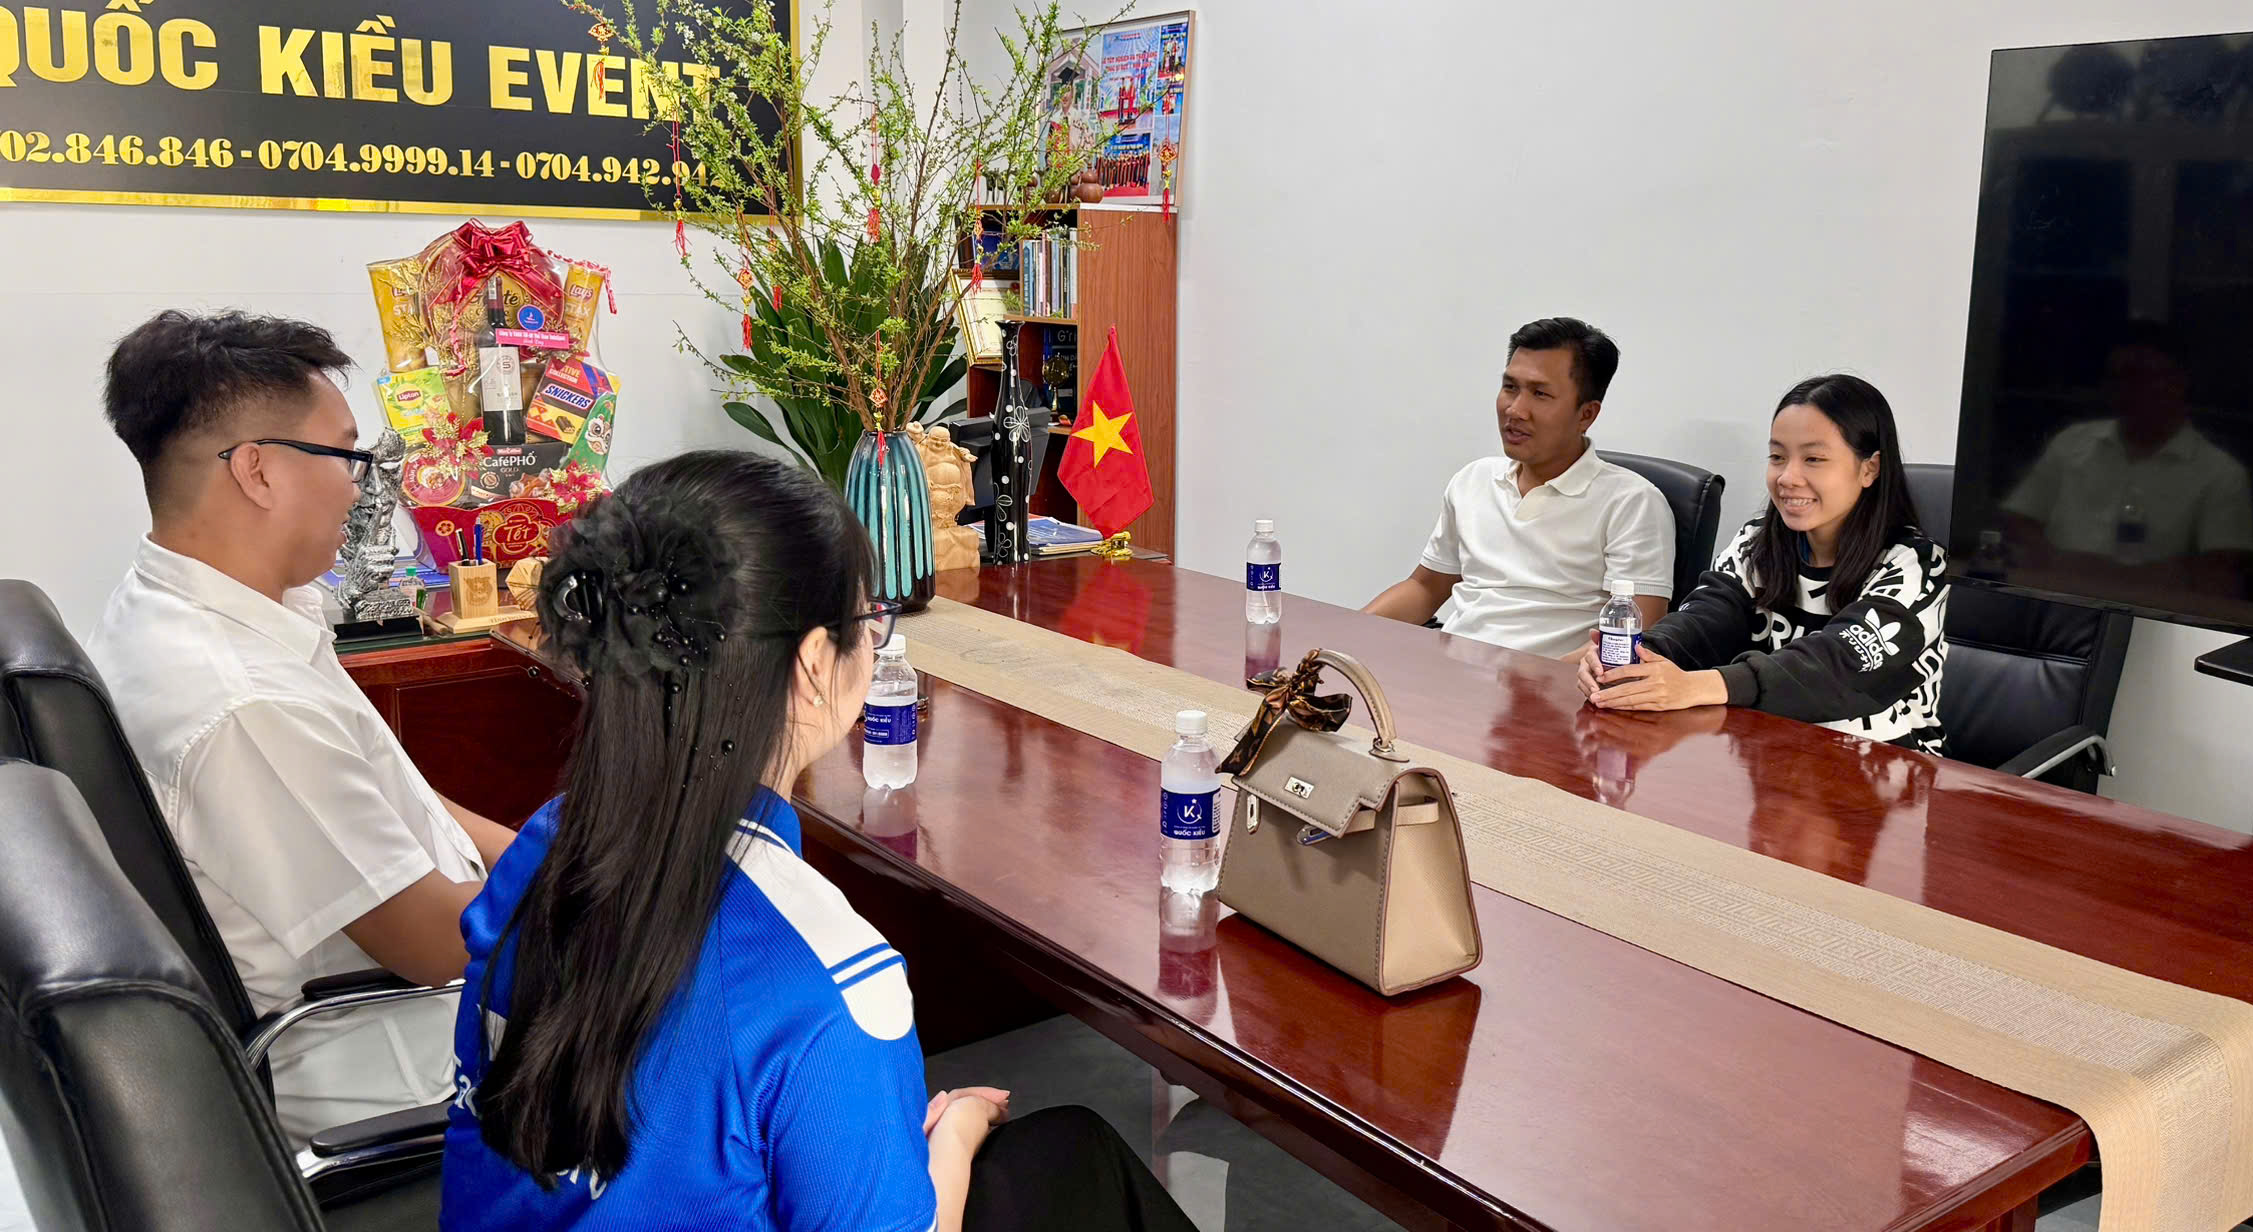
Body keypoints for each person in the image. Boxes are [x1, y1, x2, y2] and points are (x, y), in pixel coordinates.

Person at [444, 450, 1195, 1232]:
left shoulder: (547, 842)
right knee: (1077, 1166)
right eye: (869, 622)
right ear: (810, 665)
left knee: (1076, 1149)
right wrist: (959, 1133)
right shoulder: (830, 976)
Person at [89, 311, 516, 1140]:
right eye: (346, 455)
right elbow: (437, 941)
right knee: (723, 1028)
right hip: (406, 1060)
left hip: (423, 984)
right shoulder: (246, 703)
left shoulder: (193, 603)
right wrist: (600, 889)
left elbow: (409, 797)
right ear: (257, 470)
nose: (359, 486)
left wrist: (550, 855)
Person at [1576, 374, 1949, 754]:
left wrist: (1701, 685)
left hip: (1887, 766)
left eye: (1814, 459)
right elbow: (1704, 619)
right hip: (1773, 754)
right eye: (1777, 457)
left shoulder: (1916, 564)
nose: (1788, 477)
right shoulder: (1756, 541)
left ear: (1869, 468)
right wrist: (1637, 657)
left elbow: (1836, 666)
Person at [1364, 318, 1676, 657]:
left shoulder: (1632, 502)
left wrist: (1534, 679)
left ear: (1586, 414)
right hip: (1452, 671)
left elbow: (1630, 640)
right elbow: (1425, 589)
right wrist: (1341, 639)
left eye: (1540, 394)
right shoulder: (1474, 479)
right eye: (1510, 387)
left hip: (1549, 684)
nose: (1515, 410)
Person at [2001, 320, 2253, 595]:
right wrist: (2051, 561)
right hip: (2054, 594)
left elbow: (2219, 572)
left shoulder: (2221, 474)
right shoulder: (2072, 441)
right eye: (2116, 378)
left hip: (2153, 607)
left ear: (2179, 383)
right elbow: (2019, 518)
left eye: (2140, 376)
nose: (2126, 389)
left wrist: (2097, 573)